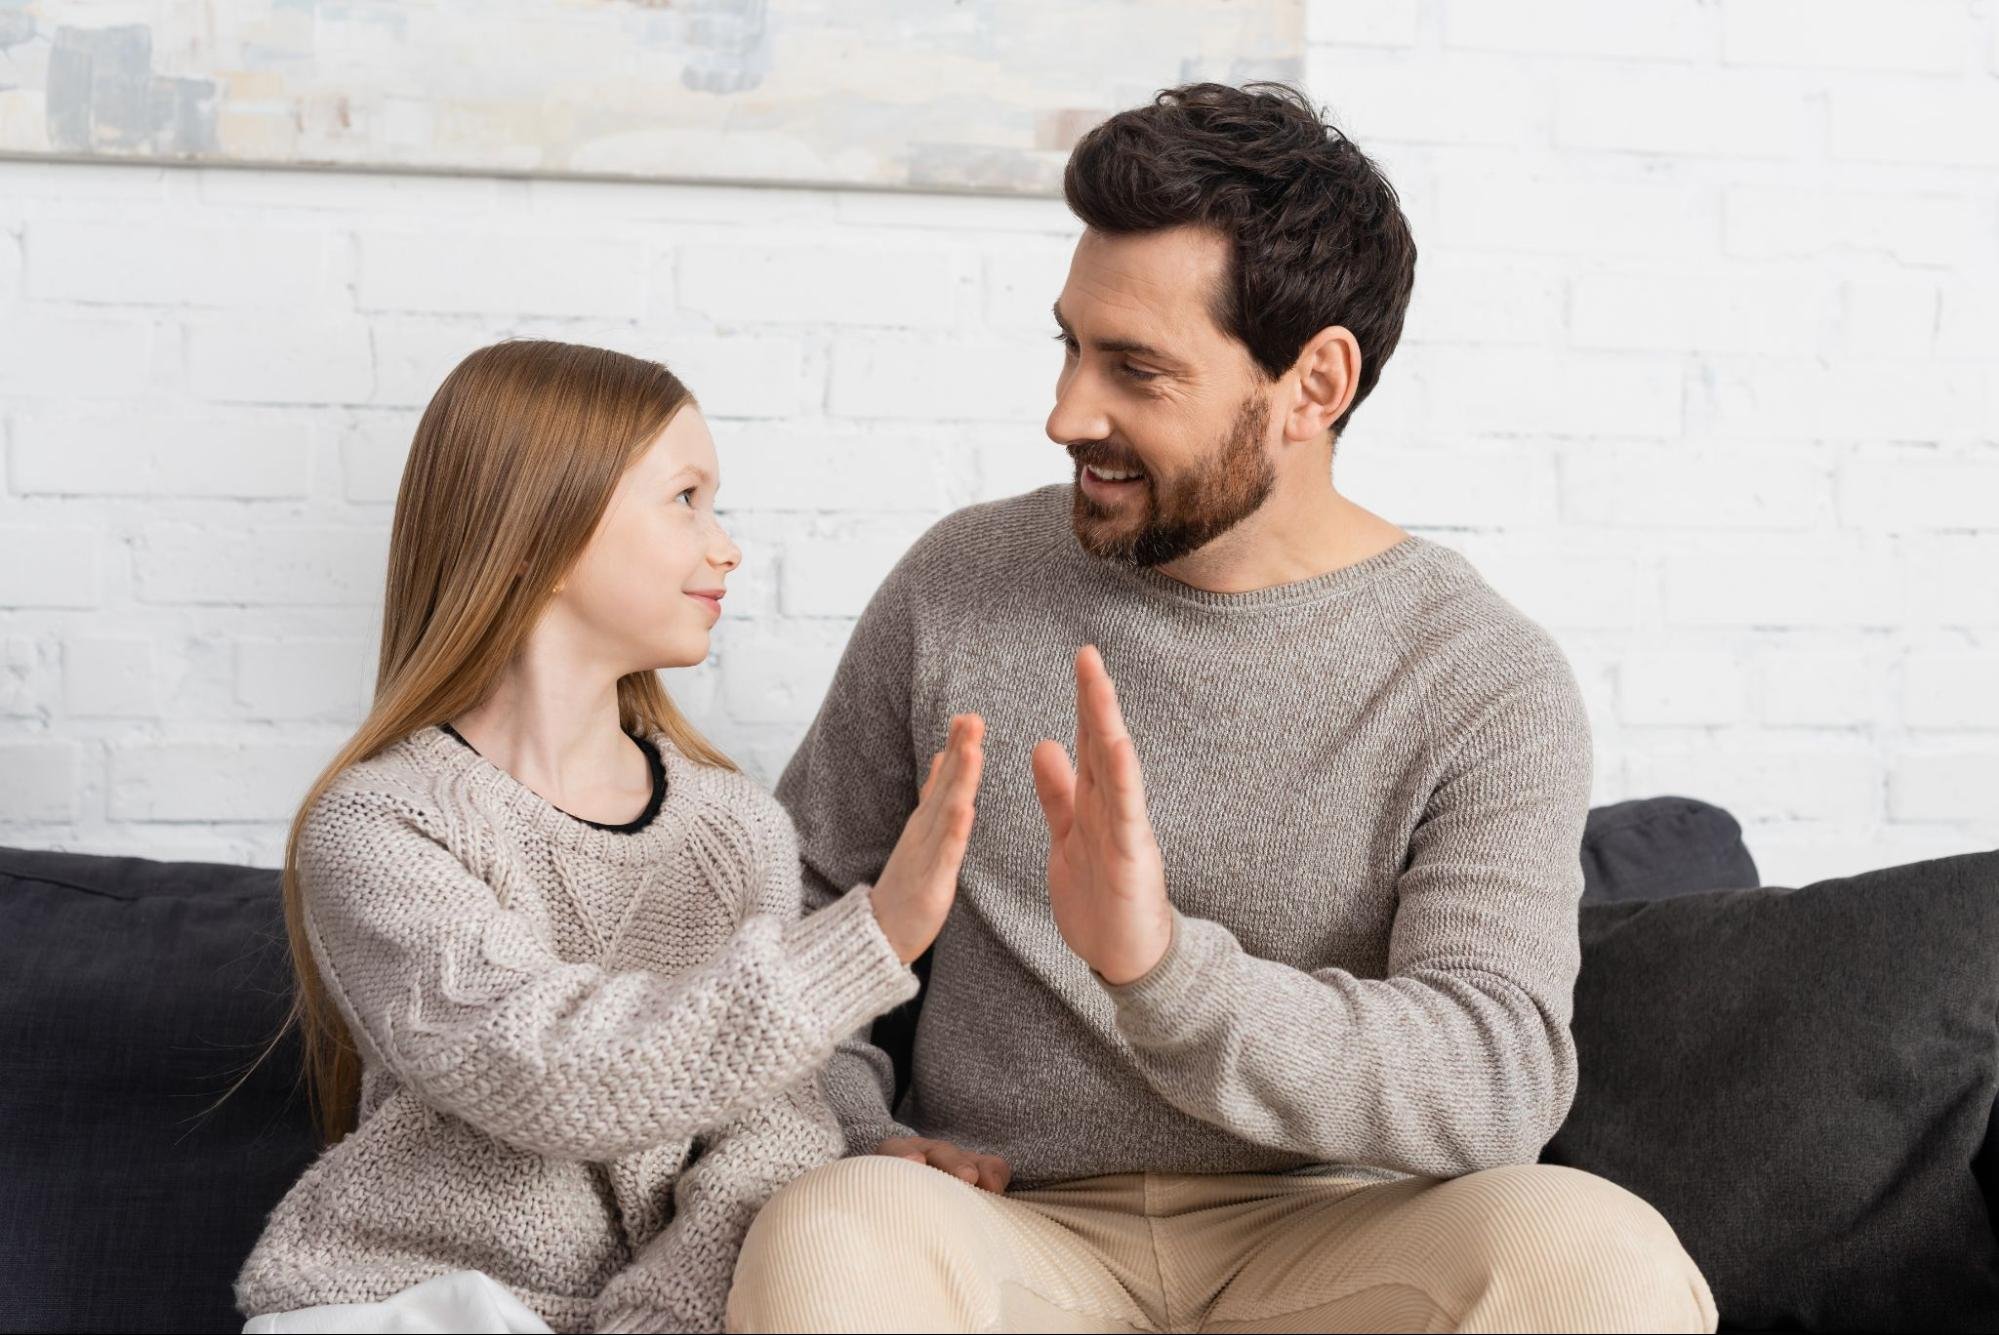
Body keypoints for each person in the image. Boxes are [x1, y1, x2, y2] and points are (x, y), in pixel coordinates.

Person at [728, 84, 1719, 1332]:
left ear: (1314, 384)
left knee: (1596, 1261)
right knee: (830, 1233)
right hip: (1009, 1223)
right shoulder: (962, 584)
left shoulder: (1479, 677)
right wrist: (862, 1129)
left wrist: (1164, 970)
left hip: (1339, 1237)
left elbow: (1493, 1074)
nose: (1066, 414)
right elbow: (796, 906)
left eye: (1135, 368)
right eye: (1070, 347)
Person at [230, 339, 988, 1334]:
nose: (726, 547)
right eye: (686, 499)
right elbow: (541, 1066)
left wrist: (662, 1314)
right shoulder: (382, 824)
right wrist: (866, 941)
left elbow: (769, 1141)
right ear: (539, 528)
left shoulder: (737, 830)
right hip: (405, 1304)